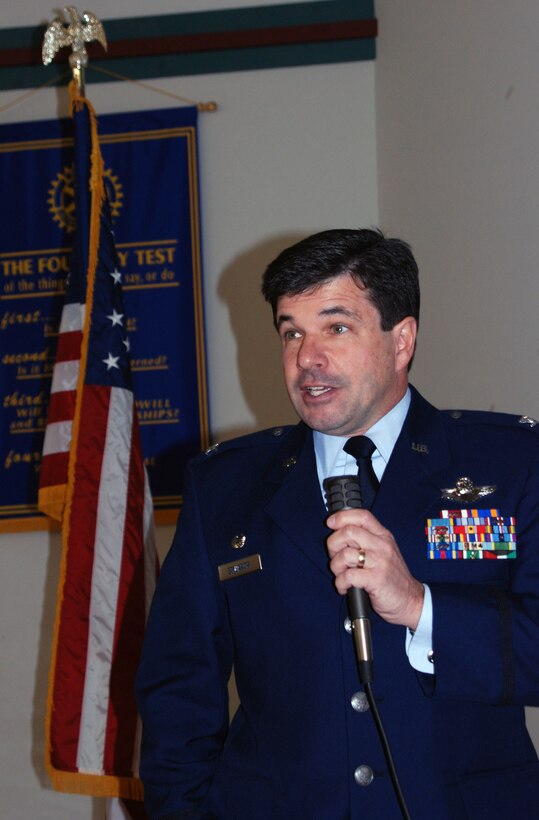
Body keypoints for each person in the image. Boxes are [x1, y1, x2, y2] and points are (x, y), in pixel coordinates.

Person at [136, 229, 539, 819]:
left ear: (401, 340)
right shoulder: (224, 486)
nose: (306, 358)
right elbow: (178, 691)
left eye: (337, 327)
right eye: (291, 331)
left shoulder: (509, 466)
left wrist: (421, 607)